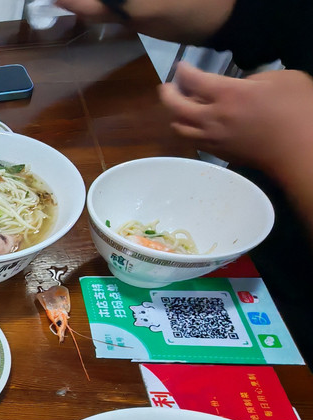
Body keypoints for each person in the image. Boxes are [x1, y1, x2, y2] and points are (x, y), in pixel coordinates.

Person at [55, 0, 313, 364]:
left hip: (294, 314)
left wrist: (297, 138)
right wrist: (124, 6)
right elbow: (262, 19)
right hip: (247, 250)